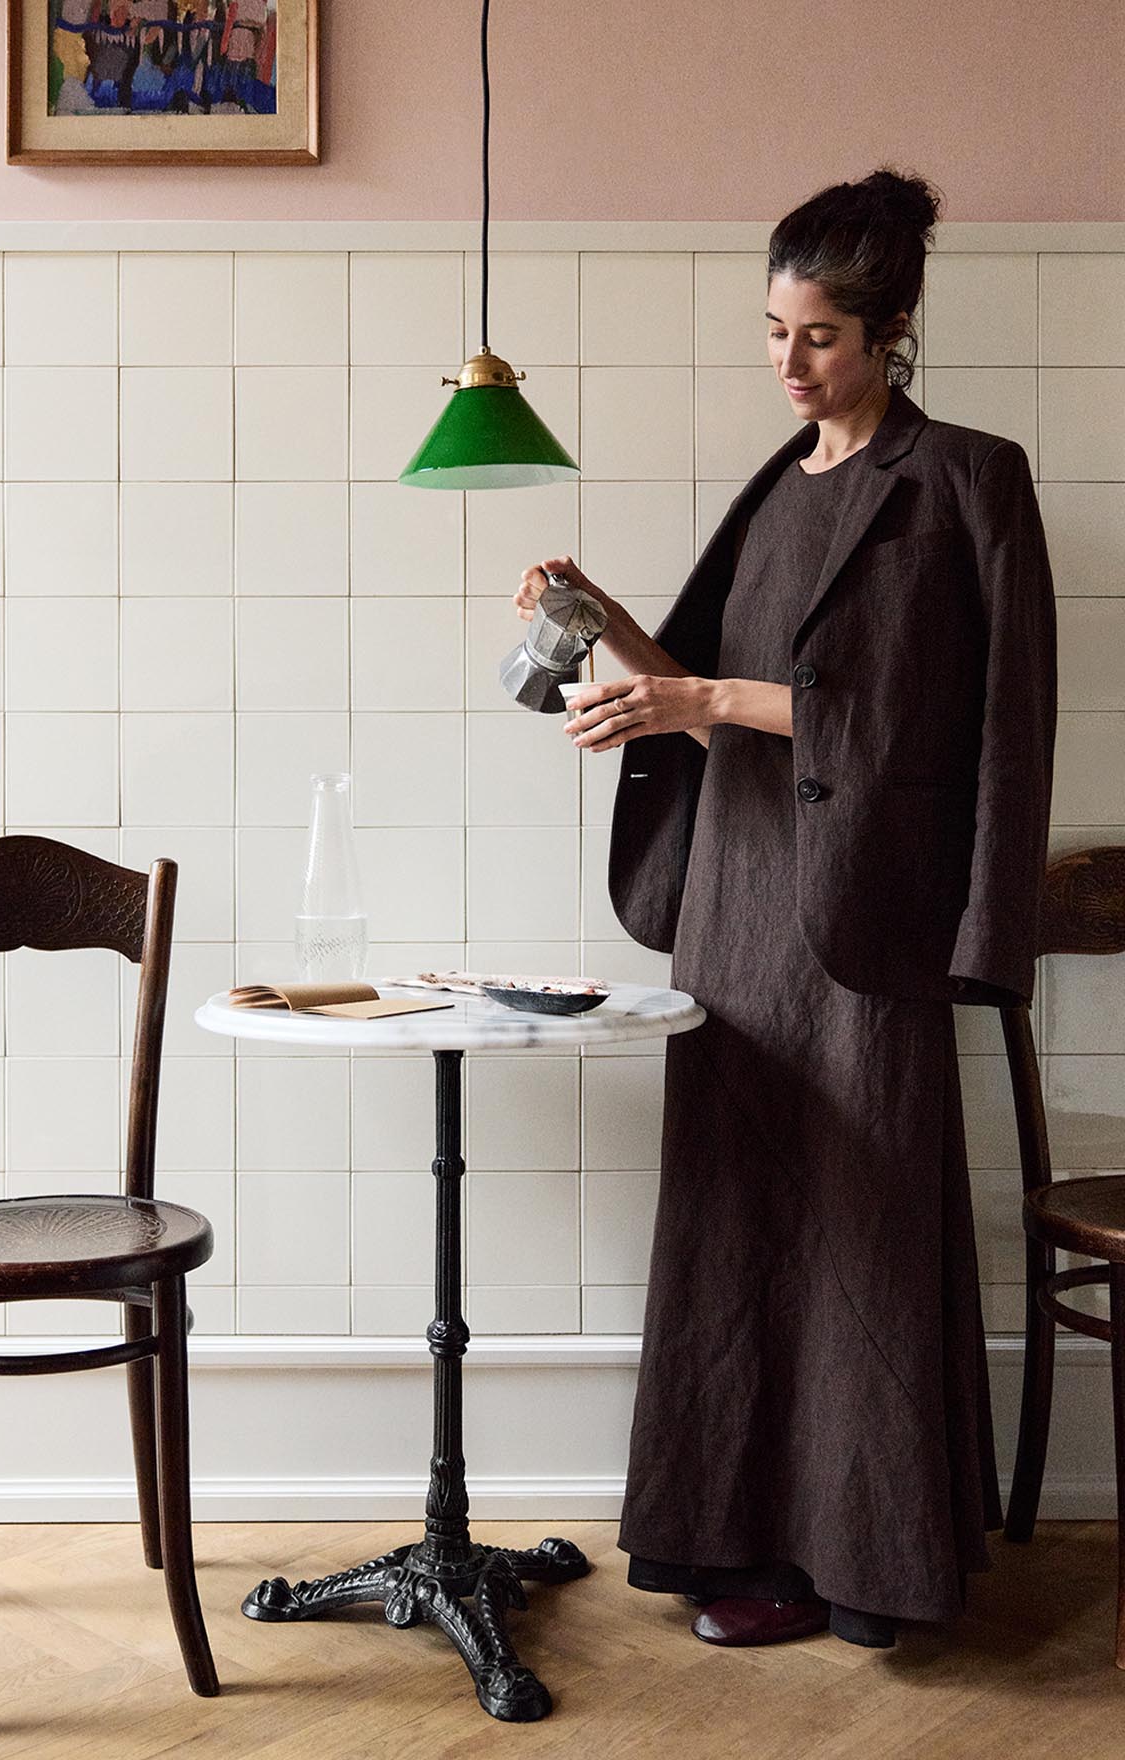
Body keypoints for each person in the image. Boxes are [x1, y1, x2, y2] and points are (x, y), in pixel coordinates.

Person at [514, 167, 1057, 1650]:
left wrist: (698, 692)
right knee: (737, 1230)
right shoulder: (773, 491)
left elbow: (941, 730)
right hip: (738, 911)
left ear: (892, 328)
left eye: (817, 337)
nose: (788, 362)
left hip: (868, 923)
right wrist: (609, 625)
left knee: (868, 1229)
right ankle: (732, 1543)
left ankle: (876, 1563)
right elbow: (719, 701)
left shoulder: (965, 480)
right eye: (771, 331)